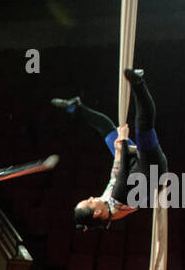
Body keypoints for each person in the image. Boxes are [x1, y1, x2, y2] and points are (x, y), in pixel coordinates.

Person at [53, 67, 168, 230]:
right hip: (152, 170)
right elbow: (121, 172)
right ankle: (138, 83)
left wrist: (119, 145)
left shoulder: (105, 205)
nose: (92, 197)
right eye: (90, 201)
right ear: (97, 213)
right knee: (143, 127)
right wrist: (122, 143)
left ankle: (76, 108)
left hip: (133, 166)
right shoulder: (118, 202)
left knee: (107, 130)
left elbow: (117, 173)